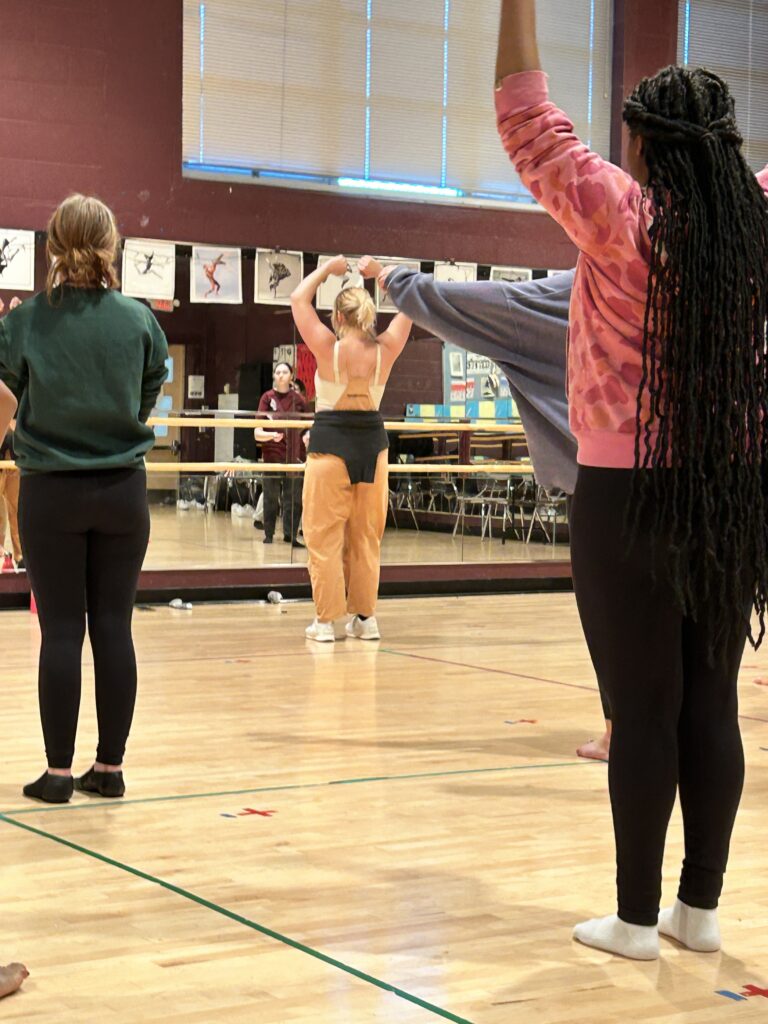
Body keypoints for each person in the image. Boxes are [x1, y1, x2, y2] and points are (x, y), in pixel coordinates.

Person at [495, 0, 768, 960]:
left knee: (641, 710)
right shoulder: (757, 223)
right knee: (711, 702)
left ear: (645, 146)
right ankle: (701, 912)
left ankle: (636, 921)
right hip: (731, 497)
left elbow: (527, 116)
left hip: (628, 503)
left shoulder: (620, 216)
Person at [360, 259, 612, 761]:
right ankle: (665, 732)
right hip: (703, 486)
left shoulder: (578, 290)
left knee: (612, 618)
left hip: (609, 483)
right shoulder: (703, 274)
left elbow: (477, 306)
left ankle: (623, 728)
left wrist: (394, 279)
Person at [0, 193, 169, 804]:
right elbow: (147, 391)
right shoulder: (139, 319)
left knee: (63, 630)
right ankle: (111, 767)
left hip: (50, 493)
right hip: (124, 490)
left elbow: (2, 400)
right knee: (115, 629)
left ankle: (58, 774)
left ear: (52, 244)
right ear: (112, 245)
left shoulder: (24, 321)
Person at [290, 256, 412, 642]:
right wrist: (383, 275)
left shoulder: (328, 348)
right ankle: (365, 618)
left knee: (323, 535)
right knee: (366, 536)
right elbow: (412, 303)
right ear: (370, 317)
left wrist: (326, 270)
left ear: (338, 319)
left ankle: (326, 623)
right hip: (372, 449)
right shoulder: (387, 348)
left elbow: (297, 299)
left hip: (330, 447)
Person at [255, 361, 307, 546]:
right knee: (270, 496)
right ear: (274, 376)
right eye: (278, 372)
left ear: (291, 376)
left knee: (293, 498)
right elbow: (257, 431)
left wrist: (307, 437)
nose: (281, 375)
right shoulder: (267, 398)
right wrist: (270, 436)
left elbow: (308, 428)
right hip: (272, 455)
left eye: (285, 372)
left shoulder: (299, 400)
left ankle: (290, 535)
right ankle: (268, 534)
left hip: (294, 455)